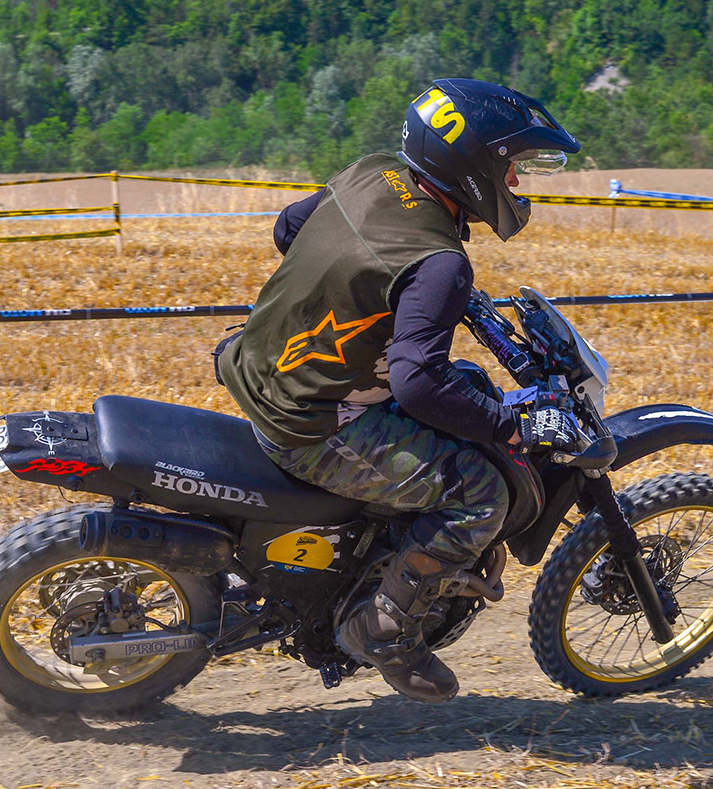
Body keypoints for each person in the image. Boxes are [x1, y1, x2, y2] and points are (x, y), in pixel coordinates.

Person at [216, 78, 581, 703]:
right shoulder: (440, 263)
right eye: (513, 168)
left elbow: (288, 228)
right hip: (311, 424)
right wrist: (514, 425)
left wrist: (360, 295)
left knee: (463, 391)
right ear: (474, 167)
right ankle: (383, 629)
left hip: (253, 364)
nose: (517, 182)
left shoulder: (372, 172)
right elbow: (417, 385)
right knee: (481, 491)